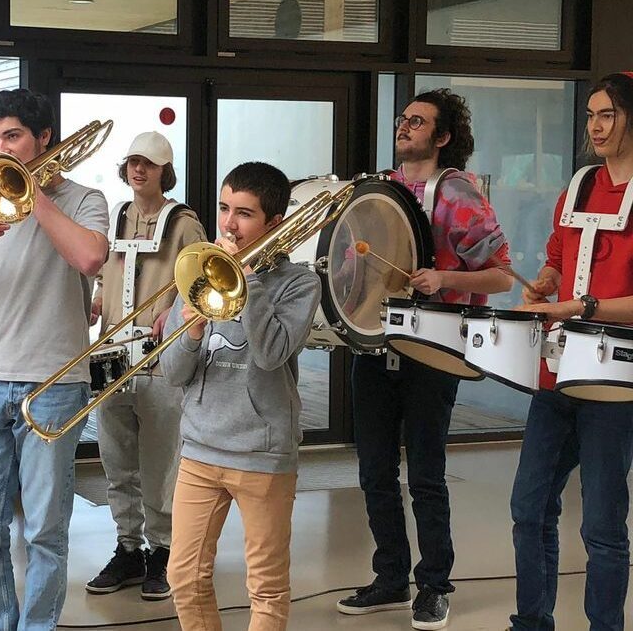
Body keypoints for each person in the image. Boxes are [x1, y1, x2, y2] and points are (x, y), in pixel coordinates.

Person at [337, 88, 513, 630]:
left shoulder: (457, 193)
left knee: (427, 475)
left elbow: (503, 273)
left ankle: (434, 584)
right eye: (402, 119)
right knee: (373, 470)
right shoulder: (381, 190)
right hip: (376, 342)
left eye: (417, 122)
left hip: (434, 347)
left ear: (442, 137)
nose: (404, 127)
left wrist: (446, 278)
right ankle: (390, 576)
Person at [0, 89, 109, 631]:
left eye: (12, 136)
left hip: (54, 383)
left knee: (43, 530)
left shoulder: (85, 199)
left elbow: (89, 257)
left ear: (44, 139)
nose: (2, 149)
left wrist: (33, 196)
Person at [160, 161, 320, 631]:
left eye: (244, 213)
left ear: (274, 224)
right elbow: (173, 372)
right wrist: (190, 327)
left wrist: (245, 282)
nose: (228, 224)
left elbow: (271, 354)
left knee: (266, 589)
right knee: (183, 578)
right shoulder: (200, 270)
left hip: (263, 452)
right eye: (224, 208)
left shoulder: (299, 283)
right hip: (200, 448)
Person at [508, 73, 633, 631]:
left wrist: (580, 307)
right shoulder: (579, 185)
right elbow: (558, 256)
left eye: (607, 114)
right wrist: (543, 283)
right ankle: (531, 622)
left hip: (613, 380)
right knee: (528, 508)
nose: (596, 126)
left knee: (603, 527)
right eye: (589, 115)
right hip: (556, 373)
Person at [86, 132, 206, 600]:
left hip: (159, 358)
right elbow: (105, 272)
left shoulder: (183, 222)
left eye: (148, 164)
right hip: (112, 352)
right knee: (117, 459)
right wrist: (98, 298)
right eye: (133, 162)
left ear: (163, 170)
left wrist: (172, 312)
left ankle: (163, 550)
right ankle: (127, 547)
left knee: (160, 461)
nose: (139, 170)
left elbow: (198, 279)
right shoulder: (117, 214)